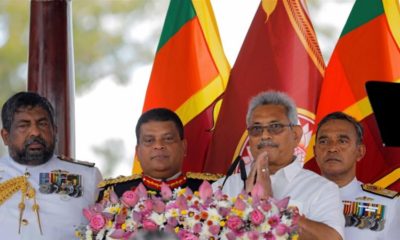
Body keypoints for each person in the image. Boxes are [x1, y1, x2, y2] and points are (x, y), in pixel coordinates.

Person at [213, 91, 344, 240]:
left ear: (295, 135)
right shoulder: (223, 186)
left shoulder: (321, 189)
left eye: (275, 126)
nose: (264, 135)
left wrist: (270, 206)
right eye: (256, 129)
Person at [0, 91, 102, 240]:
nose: (35, 132)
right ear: (6, 136)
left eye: (42, 124)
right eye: (23, 125)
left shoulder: (87, 176)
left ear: (55, 131)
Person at [97, 108, 222, 200]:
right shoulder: (114, 192)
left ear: (184, 147)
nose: (158, 145)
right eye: (149, 140)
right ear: (138, 152)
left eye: (168, 138)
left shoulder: (214, 189)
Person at [314, 111, 400, 240]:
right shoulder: (293, 198)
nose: (332, 148)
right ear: (315, 152)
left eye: (342, 141)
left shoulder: (389, 204)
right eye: (324, 141)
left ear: (359, 152)